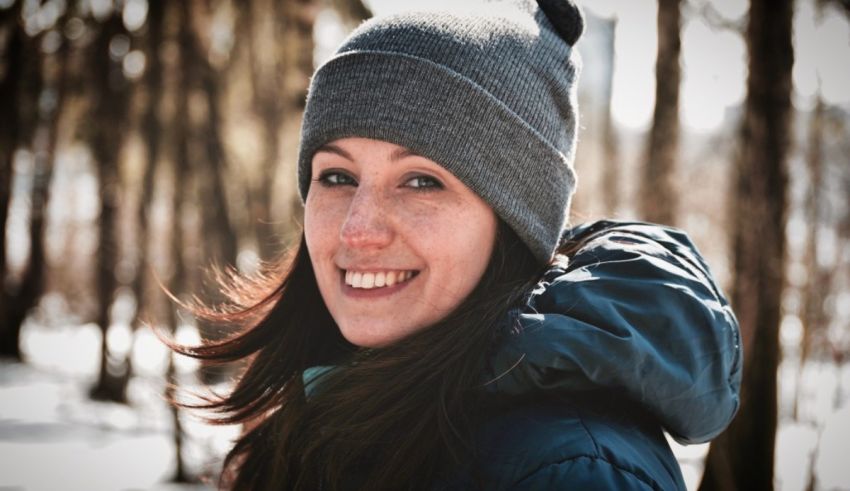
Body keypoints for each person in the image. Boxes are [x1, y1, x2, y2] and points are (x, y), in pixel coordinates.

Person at [175, 0, 742, 489]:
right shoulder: (322, 411)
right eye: (337, 177)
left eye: (422, 181)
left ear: (515, 222)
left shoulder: (572, 469)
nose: (357, 229)